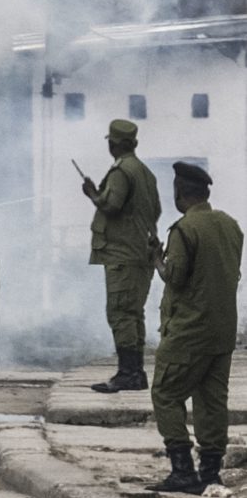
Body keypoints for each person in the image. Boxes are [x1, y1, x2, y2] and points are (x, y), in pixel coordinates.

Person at [144, 163, 242, 494]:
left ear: (180, 192)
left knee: (165, 393)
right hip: (223, 329)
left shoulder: (184, 230)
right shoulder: (230, 226)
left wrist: (158, 259)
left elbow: (177, 277)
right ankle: (210, 473)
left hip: (189, 331)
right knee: (212, 400)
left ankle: (182, 470)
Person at [81, 118, 161, 393]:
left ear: (113, 145)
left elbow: (112, 205)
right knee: (133, 313)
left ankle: (129, 374)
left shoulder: (121, 171)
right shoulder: (145, 173)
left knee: (120, 313)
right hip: (140, 254)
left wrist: (94, 194)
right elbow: (156, 210)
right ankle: (134, 373)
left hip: (123, 254)